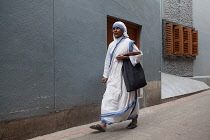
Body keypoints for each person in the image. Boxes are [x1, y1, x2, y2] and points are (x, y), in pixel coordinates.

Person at [90, 21, 143, 132]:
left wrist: (125, 57)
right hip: (113, 75)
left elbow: (139, 55)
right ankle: (103, 124)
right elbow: (107, 61)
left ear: (123, 30)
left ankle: (134, 120)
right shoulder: (111, 44)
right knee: (108, 97)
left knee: (128, 97)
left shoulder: (129, 42)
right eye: (113, 29)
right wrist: (105, 75)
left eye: (117, 28)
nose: (115, 30)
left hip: (125, 75)